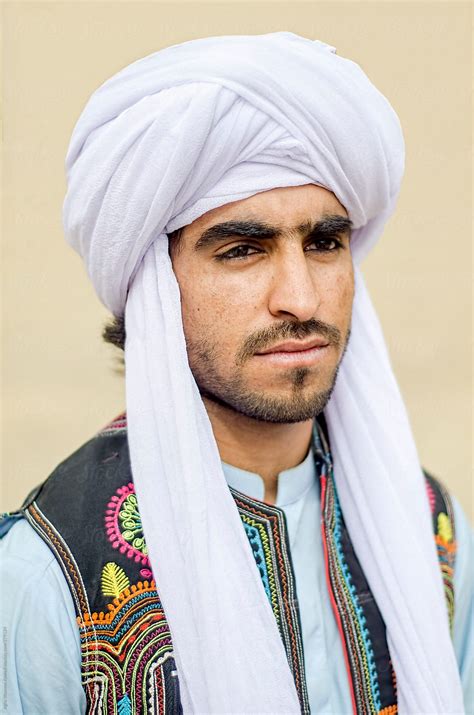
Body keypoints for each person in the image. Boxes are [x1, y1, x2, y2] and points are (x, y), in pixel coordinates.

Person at [0, 32, 472, 715]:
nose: (301, 297)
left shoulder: (432, 532)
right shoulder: (44, 578)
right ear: (153, 285)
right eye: (243, 250)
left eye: (324, 242)